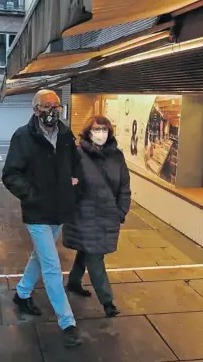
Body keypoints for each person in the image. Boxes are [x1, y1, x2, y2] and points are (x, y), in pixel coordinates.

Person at [2, 89, 82, 347]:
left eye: (56, 106)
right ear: (35, 109)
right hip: (37, 211)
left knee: (40, 255)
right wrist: (31, 195)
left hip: (59, 209)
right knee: (51, 264)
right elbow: (10, 174)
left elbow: (75, 164)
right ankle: (67, 321)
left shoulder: (67, 135)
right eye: (47, 106)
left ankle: (22, 293)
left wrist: (75, 185)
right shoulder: (22, 137)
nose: (52, 111)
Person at [63, 115, 131, 318]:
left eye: (104, 130)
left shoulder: (117, 156)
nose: (100, 133)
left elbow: (125, 187)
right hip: (85, 215)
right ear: (88, 132)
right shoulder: (77, 154)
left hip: (109, 215)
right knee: (95, 256)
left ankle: (74, 282)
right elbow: (68, 182)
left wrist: (121, 211)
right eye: (96, 129)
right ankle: (107, 301)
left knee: (88, 250)